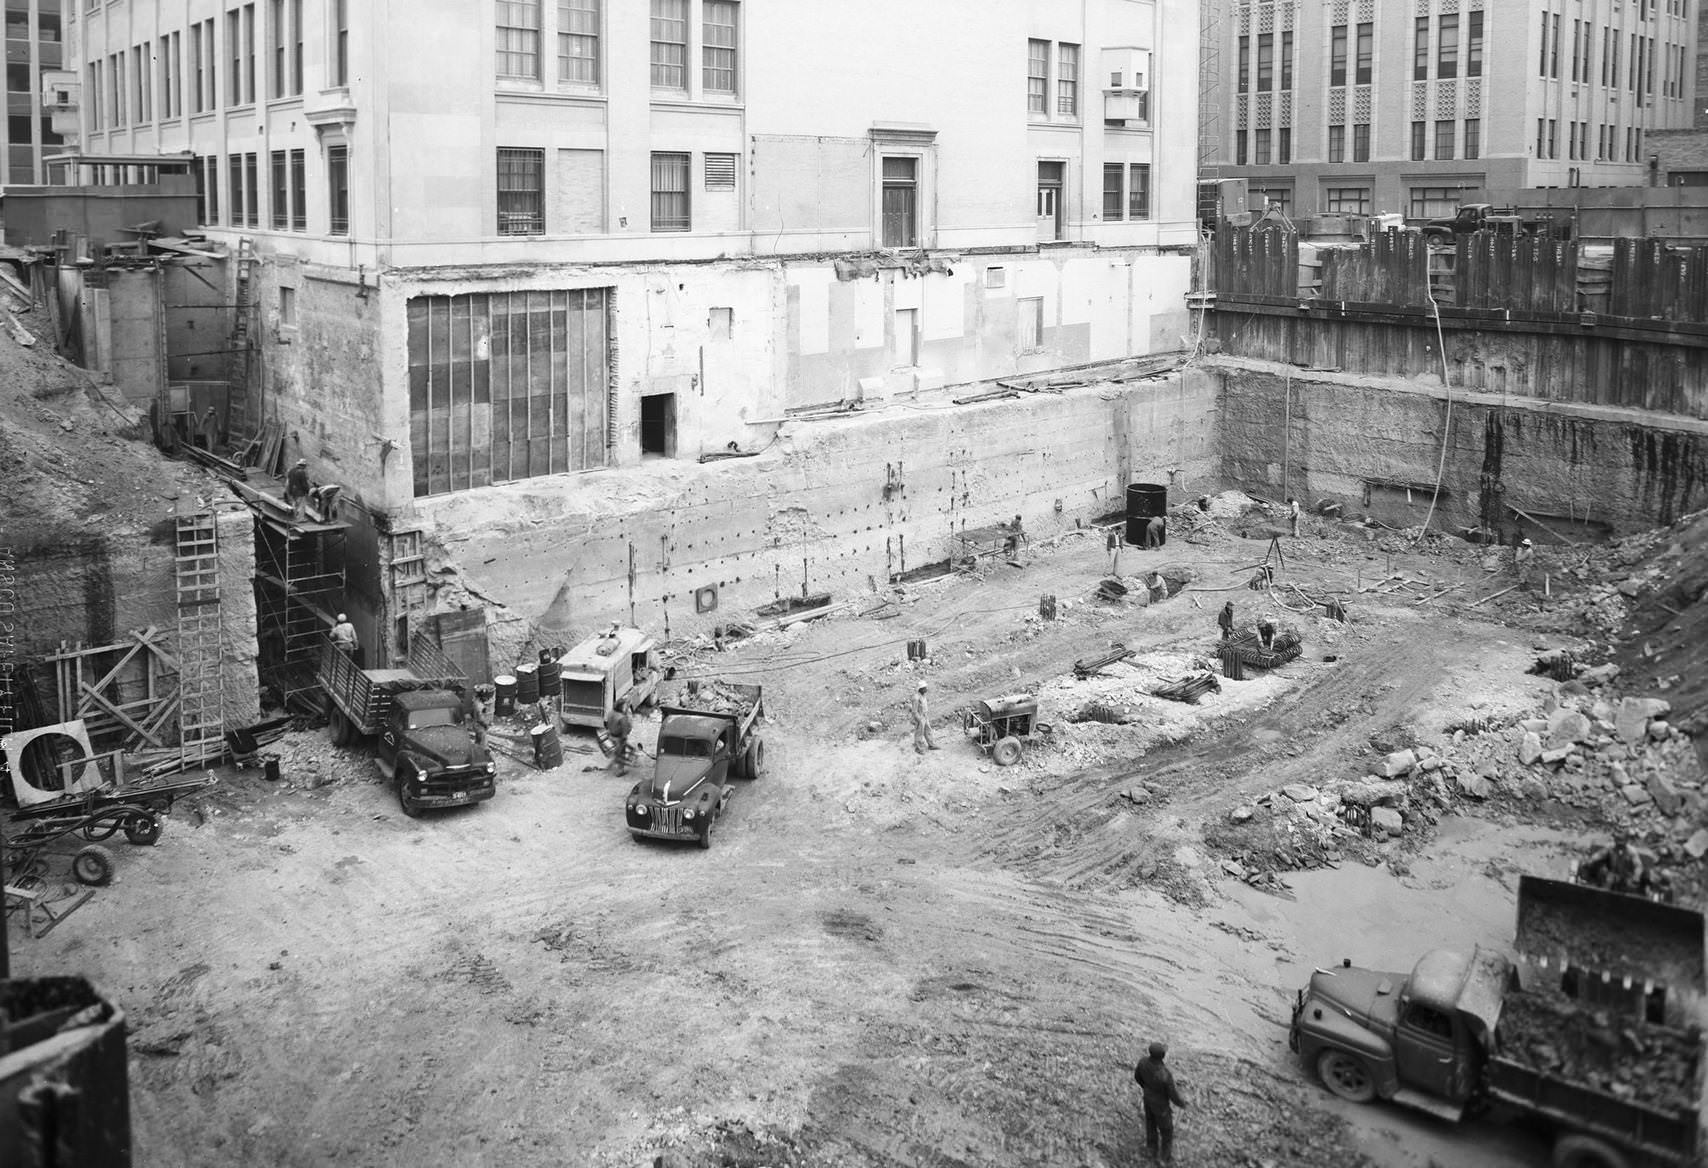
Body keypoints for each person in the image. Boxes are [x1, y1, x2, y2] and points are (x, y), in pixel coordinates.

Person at [1134, 1041, 1188, 1163]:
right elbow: (1173, 1095)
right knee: (1167, 1131)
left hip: (1147, 1099)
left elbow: (1137, 1077)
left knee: (1150, 1124)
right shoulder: (1165, 1075)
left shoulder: (1142, 1062)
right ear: (1163, 1056)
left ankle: (1151, 1150)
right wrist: (1183, 1103)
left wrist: (1146, 1088)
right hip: (1161, 1107)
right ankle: (1164, 1159)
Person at [909, 682, 939, 755]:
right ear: (921, 689)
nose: (926, 689)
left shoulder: (923, 695)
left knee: (928, 730)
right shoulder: (916, 698)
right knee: (919, 733)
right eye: (925, 688)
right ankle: (919, 748)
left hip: (925, 716)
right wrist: (919, 720)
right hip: (919, 717)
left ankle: (931, 745)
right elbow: (914, 711)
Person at [605, 700, 633, 776]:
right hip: (619, 738)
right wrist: (624, 740)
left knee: (617, 752)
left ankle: (611, 764)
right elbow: (625, 731)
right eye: (624, 706)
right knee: (621, 754)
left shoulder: (611, 713)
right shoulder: (622, 717)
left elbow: (607, 724)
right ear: (621, 707)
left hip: (611, 736)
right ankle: (620, 771)